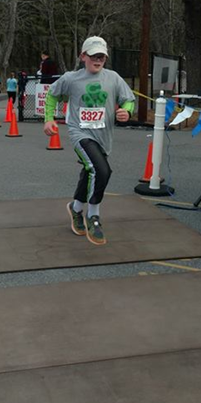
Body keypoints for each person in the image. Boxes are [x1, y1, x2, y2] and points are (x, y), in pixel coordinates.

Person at [44, 36, 135, 246]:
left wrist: (126, 112)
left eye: (101, 56)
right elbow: (52, 95)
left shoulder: (113, 78)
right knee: (101, 171)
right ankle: (93, 215)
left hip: (104, 135)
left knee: (89, 171)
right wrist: (49, 120)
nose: (98, 59)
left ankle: (75, 209)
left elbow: (128, 100)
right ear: (83, 56)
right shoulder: (71, 78)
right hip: (80, 133)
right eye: (93, 55)